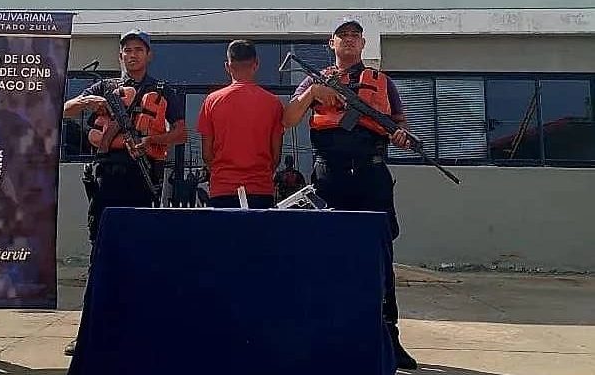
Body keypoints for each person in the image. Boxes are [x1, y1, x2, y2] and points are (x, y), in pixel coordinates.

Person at [282, 19, 418, 370]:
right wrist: (312, 93)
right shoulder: (314, 79)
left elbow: (400, 122)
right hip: (331, 177)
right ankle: (328, 335)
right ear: (332, 43)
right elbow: (288, 118)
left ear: (363, 44)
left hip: (372, 175)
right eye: (343, 36)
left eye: (355, 36)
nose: (349, 40)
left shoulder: (382, 82)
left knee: (380, 258)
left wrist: (400, 135)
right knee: (328, 255)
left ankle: (389, 338)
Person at [61, 29, 186, 356]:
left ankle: (137, 329)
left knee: (138, 254)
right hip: (106, 178)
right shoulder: (105, 87)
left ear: (149, 55)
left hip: (144, 179)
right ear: (120, 56)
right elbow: (66, 109)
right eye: (127, 50)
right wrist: (88, 101)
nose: (132, 55)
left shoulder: (164, 90)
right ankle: (86, 332)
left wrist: (151, 141)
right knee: (99, 254)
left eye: (138, 50)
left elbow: (181, 133)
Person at [197, 40, 283, 208]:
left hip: (223, 188)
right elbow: (276, 156)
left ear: (227, 67)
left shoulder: (212, 101)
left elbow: (207, 154)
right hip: (260, 188)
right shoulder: (273, 103)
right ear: (256, 65)